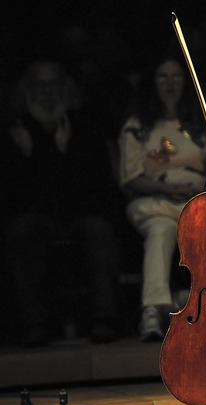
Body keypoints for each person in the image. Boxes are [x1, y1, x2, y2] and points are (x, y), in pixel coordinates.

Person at [3, 59, 121, 346]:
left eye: (53, 84)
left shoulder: (83, 124)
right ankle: (33, 324)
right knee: (20, 229)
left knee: (98, 229)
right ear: (27, 90)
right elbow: (16, 197)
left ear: (65, 89)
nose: (47, 92)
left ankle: (105, 320)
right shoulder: (16, 130)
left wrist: (64, 153)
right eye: (39, 86)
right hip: (38, 217)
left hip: (81, 215)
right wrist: (31, 155)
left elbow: (97, 189)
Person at [117, 55, 206, 341]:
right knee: (161, 229)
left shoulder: (200, 122)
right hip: (154, 203)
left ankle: (191, 305)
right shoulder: (137, 126)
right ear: (152, 83)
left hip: (196, 203)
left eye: (176, 77)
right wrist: (169, 189)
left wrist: (201, 187)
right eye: (163, 76)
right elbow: (130, 177)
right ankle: (154, 310)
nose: (170, 83)